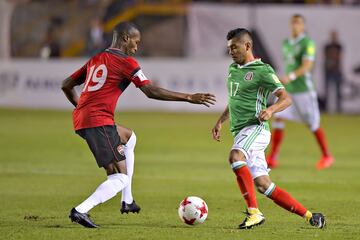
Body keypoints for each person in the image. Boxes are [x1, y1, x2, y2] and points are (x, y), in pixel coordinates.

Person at [61, 21, 216, 228]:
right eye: (136, 41)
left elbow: (66, 84)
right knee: (118, 178)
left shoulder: (96, 58)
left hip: (86, 118)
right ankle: (80, 210)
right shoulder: (127, 62)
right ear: (125, 38)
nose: (137, 46)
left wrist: (82, 108)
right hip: (98, 121)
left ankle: (128, 201)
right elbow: (150, 91)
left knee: (129, 138)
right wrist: (188, 97)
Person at [212, 28, 325, 229]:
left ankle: (254, 213)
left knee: (235, 157)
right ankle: (311, 216)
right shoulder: (233, 70)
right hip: (240, 131)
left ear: (247, 46)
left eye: (234, 47)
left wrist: (271, 109)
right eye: (229, 48)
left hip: (255, 128)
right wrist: (221, 121)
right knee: (264, 185)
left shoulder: (263, 70)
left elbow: (286, 98)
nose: (231, 52)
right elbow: (235, 100)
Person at [266, 14, 334, 170]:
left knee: (312, 124)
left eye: (298, 23)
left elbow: (307, 65)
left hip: (304, 90)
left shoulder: (307, 43)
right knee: (279, 117)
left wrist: (290, 76)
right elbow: (289, 64)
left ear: (303, 26)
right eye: (293, 23)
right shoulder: (286, 43)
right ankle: (273, 157)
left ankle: (327, 155)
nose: (295, 26)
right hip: (289, 91)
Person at [324, 30, 343, 113]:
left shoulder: (339, 46)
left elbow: (340, 57)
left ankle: (338, 108)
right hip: (328, 70)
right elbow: (326, 56)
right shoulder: (327, 46)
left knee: (338, 90)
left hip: (336, 70)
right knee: (327, 90)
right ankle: (326, 108)